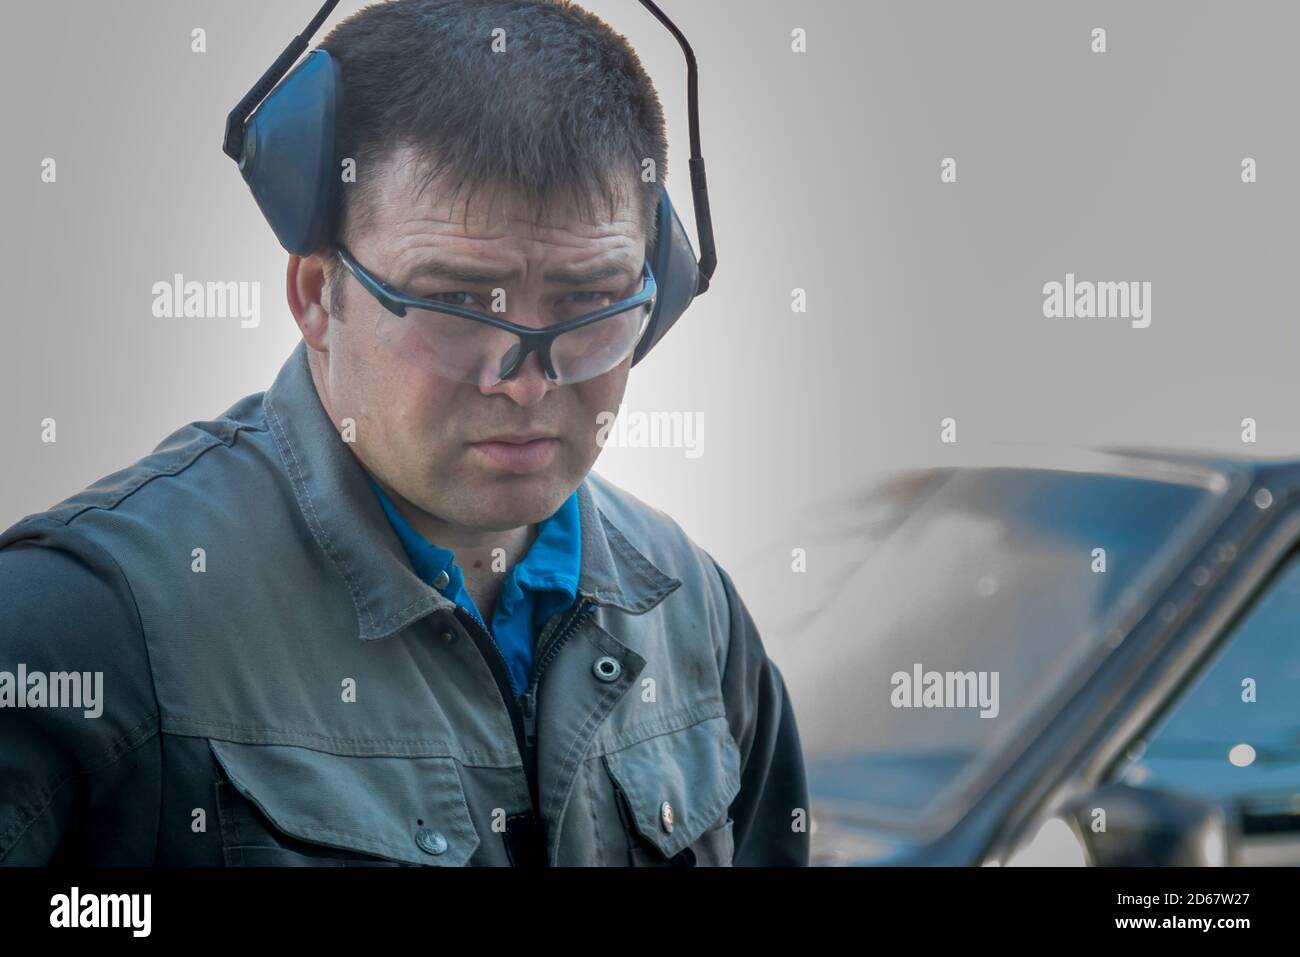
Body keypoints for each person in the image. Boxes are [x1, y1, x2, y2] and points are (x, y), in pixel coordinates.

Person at [0, 0, 808, 867]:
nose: (525, 378)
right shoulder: (82, 627)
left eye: (588, 304)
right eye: (456, 302)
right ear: (316, 294)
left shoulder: (696, 614)